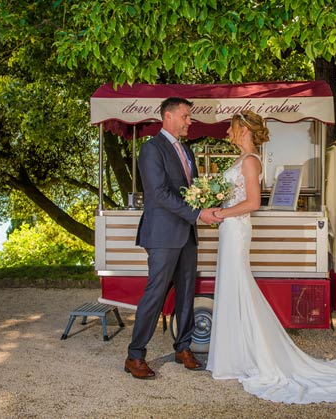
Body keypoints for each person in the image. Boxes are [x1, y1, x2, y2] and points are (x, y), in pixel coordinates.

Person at [206, 110, 336, 403]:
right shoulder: (241, 160)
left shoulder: (251, 161)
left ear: (245, 131)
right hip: (230, 228)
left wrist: (220, 212)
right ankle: (235, 356)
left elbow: (252, 202)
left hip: (236, 228)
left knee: (237, 285)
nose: (227, 133)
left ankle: (244, 358)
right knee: (232, 287)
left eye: (232, 128)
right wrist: (218, 209)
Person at [125, 97, 221, 379]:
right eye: (186, 116)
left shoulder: (187, 151)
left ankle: (183, 348)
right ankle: (135, 356)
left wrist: (206, 201)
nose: (190, 121)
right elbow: (159, 193)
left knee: (187, 293)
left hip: (187, 235)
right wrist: (198, 214)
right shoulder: (151, 149)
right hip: (163, 234)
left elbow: (190, 189)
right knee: (155, 294)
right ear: (168, 116)